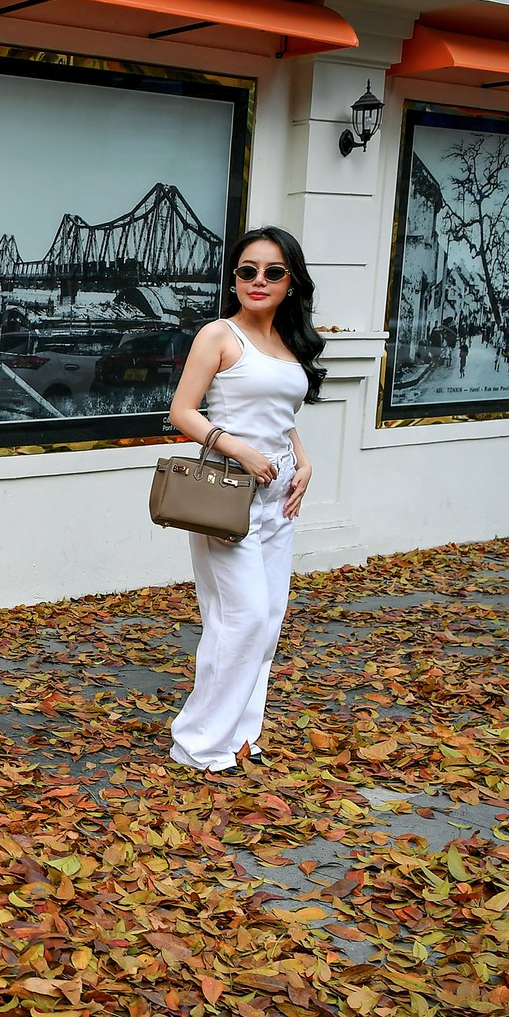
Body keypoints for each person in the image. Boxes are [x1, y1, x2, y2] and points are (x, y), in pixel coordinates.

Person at [165, 227, 324, 774]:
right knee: (242, 617)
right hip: (228, 496)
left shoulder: (290, 342)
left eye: (272, 272)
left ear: (291, 282)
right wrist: (242, 452)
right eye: (246, 271)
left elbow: (282, 415)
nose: (258, 281)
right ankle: (198, 741)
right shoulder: (219, 334)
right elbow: (183, 412)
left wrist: (301, 458)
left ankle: (240, 734)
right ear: (234, 279)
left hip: (280, 499)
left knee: (269, 618)